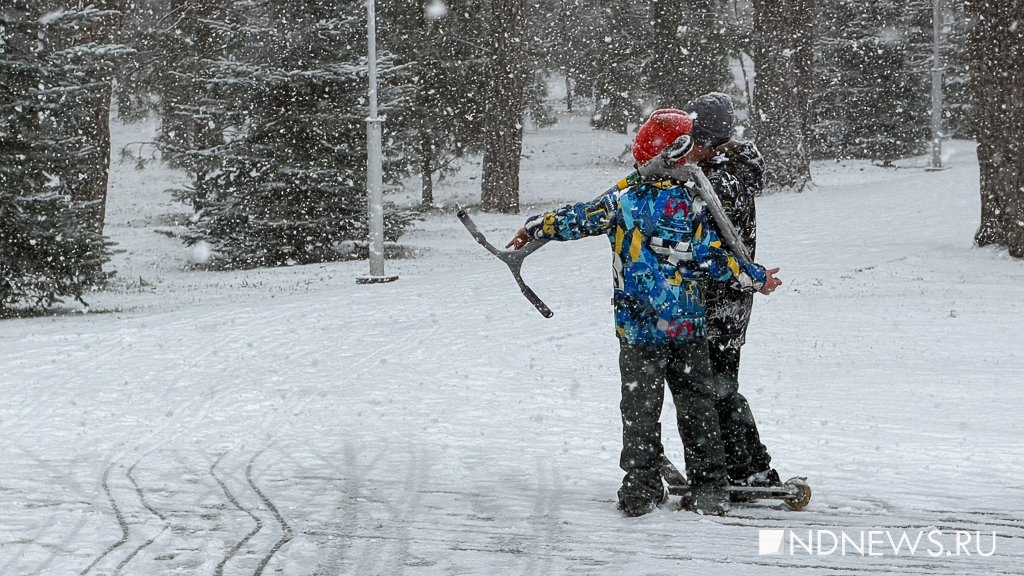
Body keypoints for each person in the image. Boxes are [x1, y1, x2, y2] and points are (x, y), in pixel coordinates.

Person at [506, 108, 783, 517]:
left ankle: (640, 485)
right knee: (698, 408)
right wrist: (755, 277)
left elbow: (574, 218)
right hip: (687, 326)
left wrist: (535, 227)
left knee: (639, 411)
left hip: (638, 331)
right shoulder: (692, 205)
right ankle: (710, 487)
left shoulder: (621, 201)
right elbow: (714, 258)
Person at [681, 92, 781, 491]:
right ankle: (732, 464)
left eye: (698, 140)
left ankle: (750, 467)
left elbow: (694, 208)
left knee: (719, 388)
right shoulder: (724, 171)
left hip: (723, 299)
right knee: (711, 387)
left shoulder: (725, 180)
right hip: (718, 295)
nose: (693, 150)